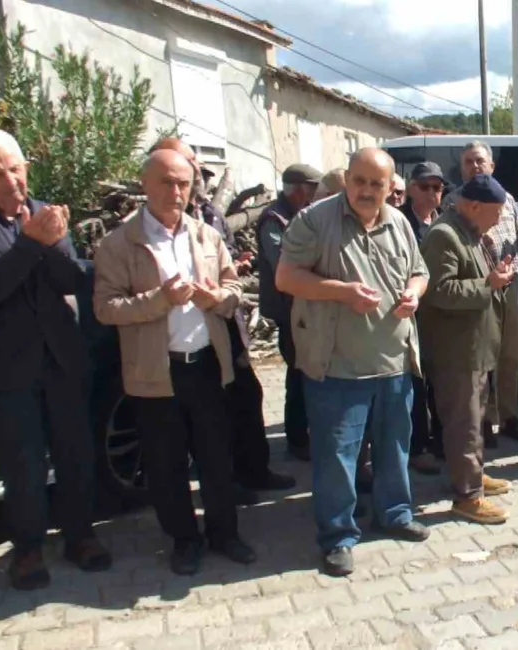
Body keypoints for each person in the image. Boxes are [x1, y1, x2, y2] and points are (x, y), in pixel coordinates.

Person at [94, 150, 254, 576]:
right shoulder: (118, 244)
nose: (176, 191)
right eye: (166, 182)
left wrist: (218, 298)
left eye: (183, 183)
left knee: (217, 457)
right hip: (155, 372)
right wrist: (160, 299)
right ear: (145, 185)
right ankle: (185, 540)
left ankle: (225, 533)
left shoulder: (206, 235)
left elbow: (233, 286)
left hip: (206, 366)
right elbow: (106, 308)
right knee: (165, 465)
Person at [276, 148, 430, 577]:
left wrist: (414, 293)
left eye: (376, 184)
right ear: (346, 178)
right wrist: (342, 292)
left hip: (394, 363)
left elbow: (420, 272)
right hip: (337, 368)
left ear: (389, 187)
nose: (366, 190)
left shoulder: (398, 222)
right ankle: (337, 536)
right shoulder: (314, 220)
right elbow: (286, 277)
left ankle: (394, 513)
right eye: (359, 180)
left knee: (394, 447)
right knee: (337, 457)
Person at [0, 128, 111, 590]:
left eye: (16, 169)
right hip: (6, 372)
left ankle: (80, 535)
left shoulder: (43, 213)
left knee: (76, 454)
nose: (12, 181)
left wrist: (51, 242)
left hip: (62, 364)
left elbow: (72, 280)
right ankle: (28, 549)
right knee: (23, 467)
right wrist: (31, 244)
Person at [151, 138, 293, 497]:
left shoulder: (209, 214)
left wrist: (233, 267)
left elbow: (225, 255)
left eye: (194, 166)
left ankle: (255, 471)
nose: (195, 171)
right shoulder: (152, 224)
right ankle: (225, 483)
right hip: (185, 336)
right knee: (211, 416)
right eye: (187, 163)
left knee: (247, 396)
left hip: (226, 321)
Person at [419, 175, 515, 524]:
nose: (499, 219)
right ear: (474, 206)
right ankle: (467, 497)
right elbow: (439, 291)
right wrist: (489, 283)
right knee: (464, 425)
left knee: (474, 421)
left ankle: (472, 475)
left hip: (474, 349)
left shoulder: (469, 231)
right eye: (496, 212)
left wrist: (495, 277)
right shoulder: (444, 235)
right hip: (456, 353)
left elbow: (475, 281)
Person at [444, 141, 518, 448]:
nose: (474, 166)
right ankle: (481, 420)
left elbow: (514, 240)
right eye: (468, 162)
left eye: (479, 161)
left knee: (509, 354)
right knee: (481, 356)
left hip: (509, 286)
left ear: (492, 166)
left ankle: (509, 416)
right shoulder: (454, 201)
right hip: (478, 287)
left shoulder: (507, 199)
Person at [257, 164, 323, 462]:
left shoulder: (297, 215)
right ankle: (297, 440)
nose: (314, 196)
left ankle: (306, 434)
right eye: (312, 189)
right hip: (288, 311)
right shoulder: (273, 219)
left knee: (305, 373)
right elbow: (282, 263)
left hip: (303, 308)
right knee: (297, 375)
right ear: (298, 190)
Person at [401, 161, 448, 475]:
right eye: (425, 186)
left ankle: (441, 441)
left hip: (441, 316)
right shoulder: (399, 221)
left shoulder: (444, 221)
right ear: (411, 188)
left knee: (440, 382)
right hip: (410, 314)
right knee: (416, 384)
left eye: (437, 187)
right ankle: (417, 446)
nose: (432, 192)